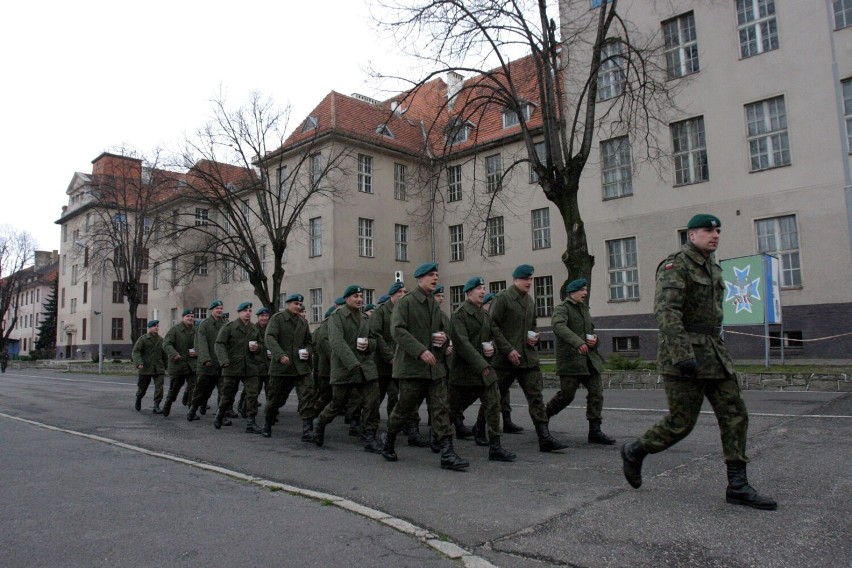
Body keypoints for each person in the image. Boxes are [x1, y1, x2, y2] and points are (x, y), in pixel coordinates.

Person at [621, 214, 777, 510]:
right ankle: (636, 450)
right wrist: (682, 355)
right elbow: (667, 311)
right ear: (691, 235)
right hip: (685, 356)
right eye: (708, 230)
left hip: (715, 353)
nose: (715, 234)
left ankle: (738, 485)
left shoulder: (713, 267)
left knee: (735, 414)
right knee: (681, 423)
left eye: (717, 230)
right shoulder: (675, 264)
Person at [382, 262, 468, 471]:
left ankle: (447, 453)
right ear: (419, 279)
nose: (435, 278)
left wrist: (444, 339)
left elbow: (443, 331)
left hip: (434, 368)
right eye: (430, 275)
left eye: (436, 275)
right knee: (404, 409)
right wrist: (420, 350)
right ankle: (389, 439)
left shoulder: (434, 304)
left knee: (441, 409)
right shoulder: (406, 303)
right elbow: (398, 331)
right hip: (412, 368)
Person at [485, 264, 568, 453]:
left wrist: (535, 336)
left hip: (527, 359)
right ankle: (480, 429)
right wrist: (507, 349)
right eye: (525, 279)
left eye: (530, 279)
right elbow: (493, 325)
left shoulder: (530, 301)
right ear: (515, 280)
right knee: (494, 398)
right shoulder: (503, 299)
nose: (529, 282)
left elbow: (532, 324)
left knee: (536, 397)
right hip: (505, 361)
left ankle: (544, 438)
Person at [448, 277, 516, 462]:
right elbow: (462, 344)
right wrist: (481, 364)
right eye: (478, 288)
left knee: (493, 404)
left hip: (485, 372)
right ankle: (438, 437)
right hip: (464, 373)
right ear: (469, 292)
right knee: (452, 410)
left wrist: (503, 349)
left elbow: (495, 335)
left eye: (484, 288)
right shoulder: (459, 314)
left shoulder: (485, 315)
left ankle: (495, 446)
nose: (482, 291)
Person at [311, 285, 383, 453]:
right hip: (345, 368)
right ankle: (320, 423)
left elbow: (374, 340)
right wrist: (352, 363)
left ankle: (370, 437)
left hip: (365, 367)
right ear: (347, 299)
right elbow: (336, 342)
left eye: (361, 296)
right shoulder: (337, 317)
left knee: (372, 401)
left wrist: (368, 344)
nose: (359, 299)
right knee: (337, 404)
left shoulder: (365, 318)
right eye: (355, 296)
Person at [545, 279, 616, 445]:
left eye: (586, 289)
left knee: (596, 393)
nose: (585, 293)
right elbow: (558, 327)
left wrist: (595, 341)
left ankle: (595, 431)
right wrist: (578, 342)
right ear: (573, 292)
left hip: (589, 360)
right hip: (571, 362)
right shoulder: (562, 309)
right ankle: (543, 418)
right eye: (582, 290)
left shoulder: (584, 309)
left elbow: (590, 332)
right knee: (566, 396)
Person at [371, 281, 427, 446]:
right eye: (400, 292)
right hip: (383, 365)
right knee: (376, 398)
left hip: (402, 363)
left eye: (405, 291)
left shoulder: (407, 310)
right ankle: (369, 430)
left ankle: (411, 431)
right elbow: (375, 334)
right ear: (393, 294)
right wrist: (389, 356)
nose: (404, 294)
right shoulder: (381, 312)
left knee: (407, 396)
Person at [263, 294, 316, 441]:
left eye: (300, 304)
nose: (298, 307)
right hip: (281, 368)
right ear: (288, 304)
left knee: (307, 395)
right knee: (275, 399)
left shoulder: (303, 322)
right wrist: (280, 355)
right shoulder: (277, 319)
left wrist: (307, 351)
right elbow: (269, 338)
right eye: (296, 304)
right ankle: (267, 424)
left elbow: (308, 342)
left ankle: (307, 430)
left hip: (300, 367)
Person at [214, 301, 264, 433]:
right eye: (245, 311)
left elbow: (261, 346)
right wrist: (224, 360)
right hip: (232, 366)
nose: (248, 313)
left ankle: (251, 422)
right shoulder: (229, 327)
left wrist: (257, 348)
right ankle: (220, 414)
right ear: (239, 312)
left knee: (252, 395)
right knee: (228, 395)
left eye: (250, 311)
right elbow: (219, 344)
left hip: (250, 366)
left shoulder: (254, 329)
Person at [188, 300, 225, 422]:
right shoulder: (205, 325)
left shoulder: (224, 324)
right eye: (217, 308)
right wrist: (205, 359)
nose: (219, 310)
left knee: (223, 390)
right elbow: (201, 344)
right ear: (212, 310)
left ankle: (221, 415)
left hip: (220, 363)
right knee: (201, 390)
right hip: (207, 365)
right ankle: (193, 409)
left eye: (220, 308)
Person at [162, 309, 197, 418]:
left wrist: (197, 351)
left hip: (192, 364)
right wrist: (174, 354)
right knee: (175, 387)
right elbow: (166, 343)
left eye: (192, 316)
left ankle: (191, 410)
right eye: (188, 316)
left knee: (193, 386)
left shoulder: (196, 330)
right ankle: (168, 403)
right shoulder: (175, 330)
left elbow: (201, 344)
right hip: (178, 364)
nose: (190, 318)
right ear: (183, 317)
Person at [239, 306, 271, 418]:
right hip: (256, 365)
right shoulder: (253, 329)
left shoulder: (271, 329)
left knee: (270, 390)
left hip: (269, 365)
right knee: (253, 391)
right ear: (258, 317)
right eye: (262, 316)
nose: (264, 318)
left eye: (266, 316)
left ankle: (270, 413)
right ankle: (244, 407)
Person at [131, 320, 167, 414]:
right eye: (154, 326)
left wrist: (168, 366)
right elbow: (136, 351)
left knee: (159, 387)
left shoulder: (160, 340)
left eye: (157, 326)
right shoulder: (143, 339)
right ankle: (139, 398)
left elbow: (164, 355)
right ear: (149, 328)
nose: (156, 328)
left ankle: (156, 405)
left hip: (158, 367)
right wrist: (139, 363)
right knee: (142, 388)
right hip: (145, 367)